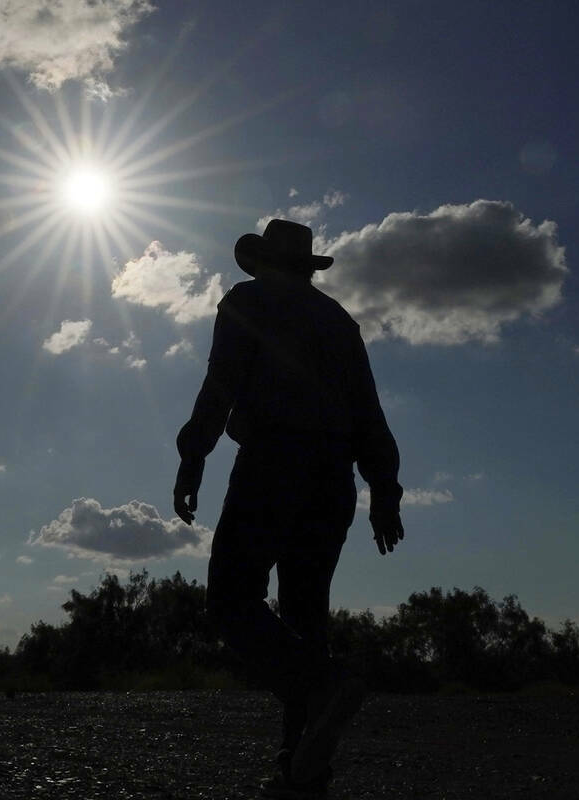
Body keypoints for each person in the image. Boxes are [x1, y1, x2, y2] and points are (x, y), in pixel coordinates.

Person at [173, 219, 404, 798]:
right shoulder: (339, 322)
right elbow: (370, 414)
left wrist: (194, 455)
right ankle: (302, 771)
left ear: (264, 262)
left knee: (231, 600)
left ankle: (321, 686)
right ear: (306, 266)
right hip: (335, 478)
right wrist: (384, 491)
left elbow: (219, 385)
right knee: (305, 617)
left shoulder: (248, 301)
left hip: (274, 461)